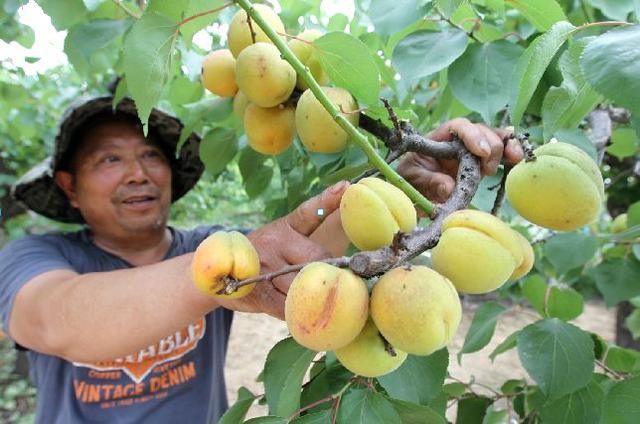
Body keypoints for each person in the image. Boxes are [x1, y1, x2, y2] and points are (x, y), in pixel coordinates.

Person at [0, 95, 521, 423]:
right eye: (110, 158)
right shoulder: (36, 255)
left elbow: (317, 249)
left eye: (150, 156)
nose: (137, 173)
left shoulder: (205, 244)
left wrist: (403, 176)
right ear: (68, 185)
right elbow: (54, 317)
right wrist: (227, 268)